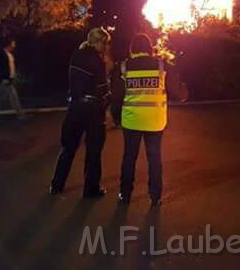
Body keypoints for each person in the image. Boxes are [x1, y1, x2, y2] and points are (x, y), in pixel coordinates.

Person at [114, 34, 188, 207]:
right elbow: (177, 94)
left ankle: (125, 195)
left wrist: (117, 118)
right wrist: (184, 89)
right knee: (154, 158)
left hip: (131, 121)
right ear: (149, 49)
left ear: (132, 49)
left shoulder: (123, 67)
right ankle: (155, 196)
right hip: (155, 121)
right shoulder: (162, 66)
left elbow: (117, 98)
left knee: (129, 158)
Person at [50, 28, 112, 198]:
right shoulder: (97, 61)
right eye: (105, 43)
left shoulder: (76, 56)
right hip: (92, 110)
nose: (106, 47)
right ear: (97, 42)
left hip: (75, 107)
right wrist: (108, 100)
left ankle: (57, 184)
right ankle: (91, 189)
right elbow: (102, 89)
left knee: (68, 148)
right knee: (93, 151)